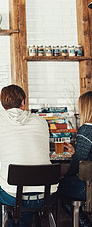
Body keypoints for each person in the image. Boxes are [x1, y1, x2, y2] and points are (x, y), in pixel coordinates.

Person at [0, 84, 56, 226]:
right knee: (23, 195)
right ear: (23, 102)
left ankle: (11, 223)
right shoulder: (41, 121)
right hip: (46, 195)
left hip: (12, 194)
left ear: (3, 103)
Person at [58, 91, 92, 227]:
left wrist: (65, 176)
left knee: (55, 187)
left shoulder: (86, 130)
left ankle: (85, 224)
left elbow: (78, 162)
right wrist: (75, 152)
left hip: (88, 188)